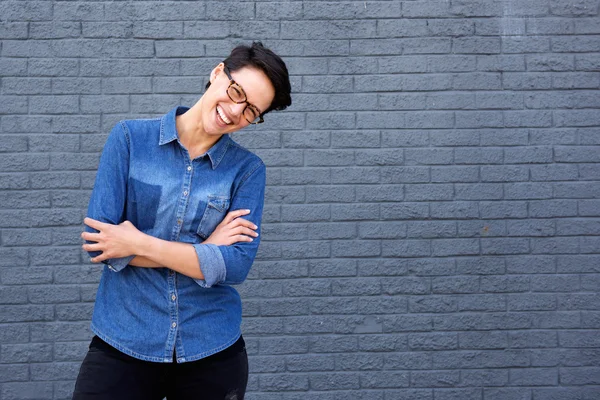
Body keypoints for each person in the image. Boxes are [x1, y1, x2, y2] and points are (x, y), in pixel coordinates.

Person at [72, 42, 292, 400]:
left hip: (211, 349)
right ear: (218, 73)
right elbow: (102, 244)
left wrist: (138, 243)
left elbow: (235, 266)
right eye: (236, 92)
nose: (235, 111)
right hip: (124, 338)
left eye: (252, 110)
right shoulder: (128, 140)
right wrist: (204, 252)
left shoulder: (247, 171)